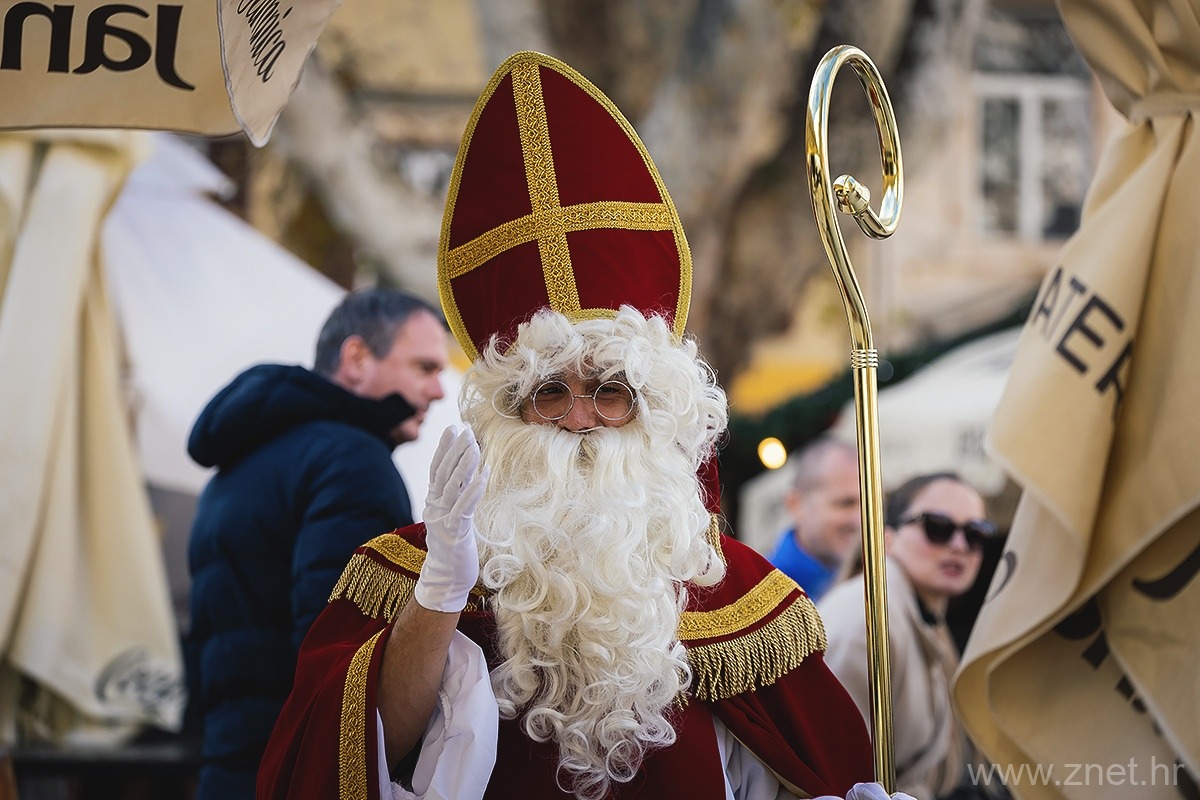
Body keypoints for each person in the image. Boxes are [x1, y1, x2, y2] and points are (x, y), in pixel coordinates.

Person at [257, 51, 906, 800]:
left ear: (653, 412)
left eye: (610, 392)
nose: (580, 419)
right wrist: (440, 590)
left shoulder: (737, 596)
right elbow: (348, 764)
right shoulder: (409, 574)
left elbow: (804, 773)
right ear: (507, 412)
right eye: (548, 392)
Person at [185, 288, 449, 799]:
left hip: (226, 768)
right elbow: (343, 659)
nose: (438, 390)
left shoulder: (238, 467)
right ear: (357, 358)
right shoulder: (351, 461)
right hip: (296, 773)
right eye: (424, 367)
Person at [818, 472, 999, 800]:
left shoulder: (917, 613)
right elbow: (827, 772)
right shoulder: (866, 622)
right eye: (938, 527)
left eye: (975, 533)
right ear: (887, 538)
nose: (959, 546)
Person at [766, 436, 862, 601]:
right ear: (796, 505)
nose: (859, 520)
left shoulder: (866, 580)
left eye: (867, 506)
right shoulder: (763, 591)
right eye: (845, 504)